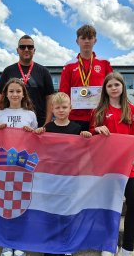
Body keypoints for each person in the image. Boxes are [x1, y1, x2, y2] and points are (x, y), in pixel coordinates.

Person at [89, 72, 134, 256]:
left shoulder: (131, 109)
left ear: (123, 87)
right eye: (110, 86)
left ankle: (128, 247)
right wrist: (96, 129)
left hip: (126, 165)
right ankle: (108, 244)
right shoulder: (98, 111)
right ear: (105, 90)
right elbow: (90, 134)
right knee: (108, 204)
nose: (114, 88)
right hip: (106, 166)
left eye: (117, 85)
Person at [34, 92, 91, 256]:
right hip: (51, 178)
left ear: (70, 108)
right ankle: (50, 243)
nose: (60, 110)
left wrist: (86, 137)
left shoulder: (77, 129)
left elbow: (84, 149)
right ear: (52, 109)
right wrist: (38, 134)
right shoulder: (47, 128)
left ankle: (66, 244)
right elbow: (39, 147)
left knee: (67, 212)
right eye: (57, 107)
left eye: (64, 107)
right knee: (50, 212)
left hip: (69, 179)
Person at [0, 78, 38, 256]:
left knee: (21, 201)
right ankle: (6, 241)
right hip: (3, 164)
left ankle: (19, 241)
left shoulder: (30, 115)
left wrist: (31, 133)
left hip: (22, 164)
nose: (14, 94)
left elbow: (36, 140)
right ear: (6, 94)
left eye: (18, 91)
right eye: (11, 91)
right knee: (3, 201)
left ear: (23, 94)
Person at [59, 25, 113, 131]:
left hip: (99, 115)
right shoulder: (69, 65)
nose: (87, 41)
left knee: (99, 147)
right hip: (75, 116)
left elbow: (111, 88)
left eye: (90, 38)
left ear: (95, 41)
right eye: (83, 38)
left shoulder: (104, 63)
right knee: (76, 147)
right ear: (77, 41)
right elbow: (63, 92)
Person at [0, 35, 54, 127]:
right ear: (17, 50)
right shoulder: (8, 71)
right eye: (22, 47)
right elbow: (0, 95)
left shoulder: (44, 71)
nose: (26, 49)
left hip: (39, 123)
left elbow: (50, 98)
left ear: (34, 50)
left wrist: (47, 123)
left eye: (30, 47)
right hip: (11, 123)